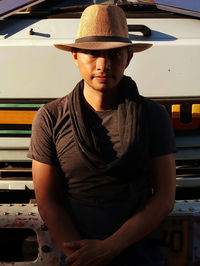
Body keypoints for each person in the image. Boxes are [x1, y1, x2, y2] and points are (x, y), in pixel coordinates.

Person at [28, 4, 177, 266]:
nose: (103, 65)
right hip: (76, 254)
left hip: (139, 253)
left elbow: (164, 198)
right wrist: (81, 256)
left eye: (114, 54)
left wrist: (109, 248)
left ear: (128, 57)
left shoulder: (153, 116)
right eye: (92, 53)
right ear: (75, 55)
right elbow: (47, 200)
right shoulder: (50, 117)